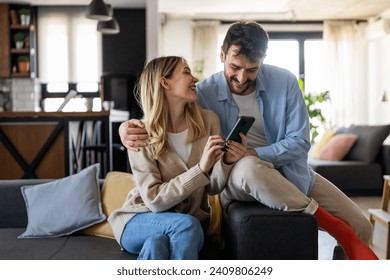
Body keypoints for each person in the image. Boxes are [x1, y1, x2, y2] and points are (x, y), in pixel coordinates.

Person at [118, 21, 378, 260]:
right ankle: (325, 221)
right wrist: (124, 129)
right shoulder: (203, 94)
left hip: (290, 174)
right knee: (250, 168)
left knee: (362, 227)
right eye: (235, 67)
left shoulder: (284, 82)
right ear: (222, 56)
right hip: (241, 177)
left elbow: (299, 142)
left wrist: (255, 153)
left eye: (252, 69)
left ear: (262, 61)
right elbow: (163, 113)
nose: (242, 77)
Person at [108, 56, 244, 260]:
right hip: (140, 220)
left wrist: (226, 162)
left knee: (158, 244)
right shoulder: (140, 134)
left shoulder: (208, 121)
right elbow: (154, 200)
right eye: (186, 72)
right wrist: (201, 168)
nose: (195, 78)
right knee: (186, 226)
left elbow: (212, 188)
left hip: (189, 224)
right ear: (165, 82)